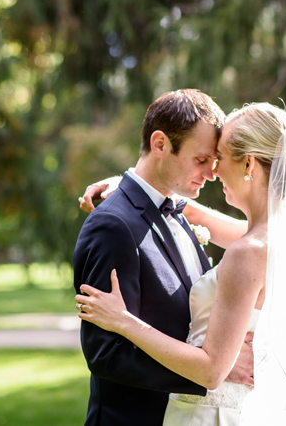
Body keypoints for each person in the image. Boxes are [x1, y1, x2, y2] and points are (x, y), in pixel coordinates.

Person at [77, 103, 286, 426]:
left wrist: (123, 320)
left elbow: (213, 370)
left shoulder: (248, 252)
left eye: (219, 158)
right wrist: (132, 187)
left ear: (249, 164)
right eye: (204, 160)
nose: (213, 172)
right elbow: (191, 212)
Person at [72, 89, 254, 426]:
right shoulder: (112, 225)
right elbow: (105, 353)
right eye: (201, 160)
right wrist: (210, 372)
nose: (212, 173)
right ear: (160, 145)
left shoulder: (179, 213)